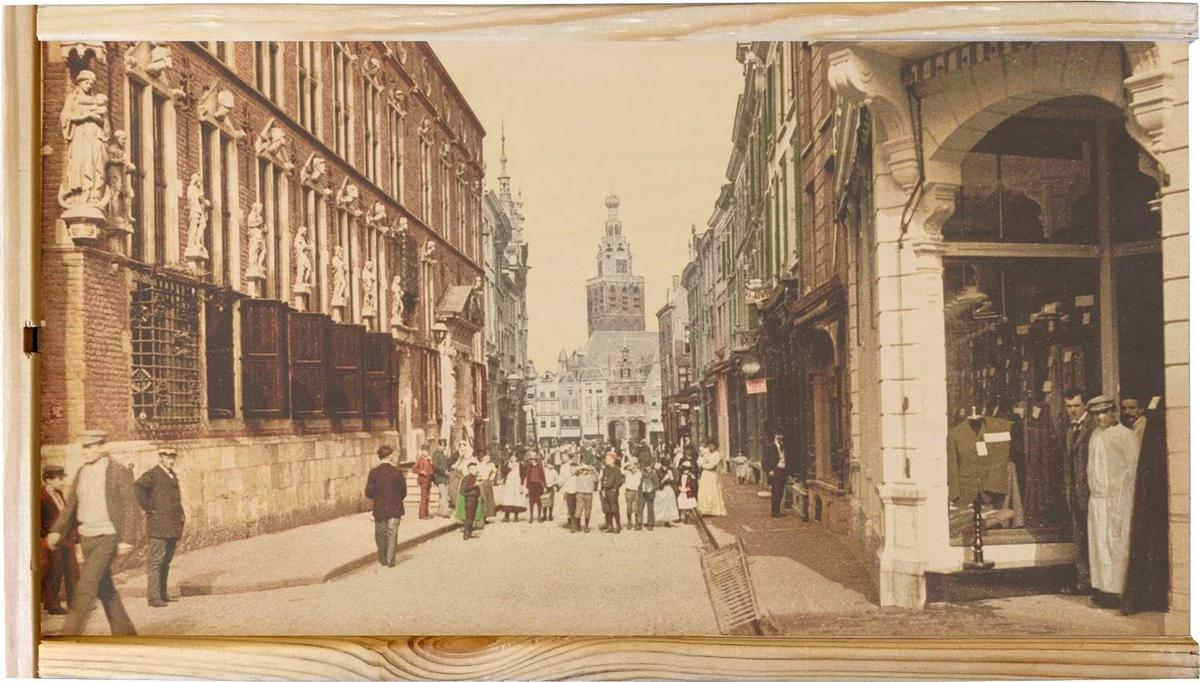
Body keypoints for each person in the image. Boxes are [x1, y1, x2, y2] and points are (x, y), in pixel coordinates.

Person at [47, 430, 138, 636]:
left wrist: (127, 538)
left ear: (102, 447)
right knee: (105, 588)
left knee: (85, 586)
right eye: (84, 447)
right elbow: (71, 507)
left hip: (107, 536)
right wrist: (57, 531)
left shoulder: (117, 471)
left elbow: (130, 506)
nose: (85, 451)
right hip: (87, 536)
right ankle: (126, 634)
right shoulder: (82, 471)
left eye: (90, 447)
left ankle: (68, 637)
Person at [1084, 395, 1140, 609]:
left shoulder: (1125, 435)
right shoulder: (1095, 435)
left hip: (1118, 499)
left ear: (1113, 412)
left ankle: (1118, 590)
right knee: (1099, 544)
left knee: (1116, 544)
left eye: (1104, 412)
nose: (1100, 417)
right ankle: (1103, 589)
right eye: (1096, 414)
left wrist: (1125, 497)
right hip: (1098, 499)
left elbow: (1133, 468)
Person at [135, 448, 185, 606]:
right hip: (159, 525)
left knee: (166, 561)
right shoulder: (153, 474)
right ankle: (153, 597)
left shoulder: (171, 475)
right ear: (161, 457)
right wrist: (150, 508)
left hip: (172, 525)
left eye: (173, 458)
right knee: (156, 561)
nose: (171, 461)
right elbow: (137, 487)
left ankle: (163, 594)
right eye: (168, 457)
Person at [1062, 388, 1095, 595]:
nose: (1073, 410)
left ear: (1085, 406)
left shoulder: (1093, 426)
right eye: (1069, 406)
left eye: (1076, 405)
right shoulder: (1070, 428)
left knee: (1094, 539)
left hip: (1091, 493)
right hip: (1075, 493)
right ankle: (1084, 582)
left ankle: (1098, 583)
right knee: (1080, 540)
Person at [40, 465, 77, 615]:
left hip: (66, 537)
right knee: (54, 571)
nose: (62, 481)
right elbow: (39, 521)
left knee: (72, 569)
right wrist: (47, 537)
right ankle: (52, 605)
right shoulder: (41, 497)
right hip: (52, 539)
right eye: (59, 479)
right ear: (49, 480)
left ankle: (75, 603)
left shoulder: (58, 493)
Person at [364, 445, 406, 568]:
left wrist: (378, 497)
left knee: (380, 534)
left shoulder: (374, 472)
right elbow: (403, 492)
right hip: (395, 508)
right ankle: (391, 559)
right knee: (392, 533)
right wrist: (396, 499)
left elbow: (368, 492)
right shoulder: (397, 472)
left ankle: (383, 559)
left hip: (380, 508)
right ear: (390, 456)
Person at [696, 441, 727, 517]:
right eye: (709, 446)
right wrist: (702, 464)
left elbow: (712, 465)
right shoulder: (706, 454)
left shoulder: (717, 455)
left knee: (711, 491)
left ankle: (712, 510)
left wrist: (703, 465)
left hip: (712, 475)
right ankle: (704, 509)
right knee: (704, 491)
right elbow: (699, 461)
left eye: (712, 446)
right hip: (705, 475)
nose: (710, 447)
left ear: (715, 446)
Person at [764, 433, 792, 517]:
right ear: (775, 436)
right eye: (778, 436)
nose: (780, 438)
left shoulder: (784, 447)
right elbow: (764, 461)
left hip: (783, 471)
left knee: (781, 491)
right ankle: (774, 512)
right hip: (775, 470)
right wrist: (770, 471)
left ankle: (778, 510)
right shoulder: (770, 447)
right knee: (776, 491)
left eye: (781, 436)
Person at [599, 453, 625, 533]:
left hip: (612, 491)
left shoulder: (616, 469)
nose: (606, 461)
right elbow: (603, 479)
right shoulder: (605, 469)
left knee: (614, 508)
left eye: (608, 459)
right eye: (606, 459)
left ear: (613, 460)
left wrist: (615, 488)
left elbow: (620, 481)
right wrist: (602, 489)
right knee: (607, 509)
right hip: (606, 491)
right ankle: (609, 525)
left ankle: (618, 525)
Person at [497, 454, 527, 522]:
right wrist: (509, 468)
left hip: (517, 482)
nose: (512, 458)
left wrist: (522, 484)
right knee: (508, 498)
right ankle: (506, 516)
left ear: (516, 458)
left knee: (517, 499)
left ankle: (516, 516)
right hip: (509, 483)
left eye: (514, 457)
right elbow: (503, 473)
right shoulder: (507, 464)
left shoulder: (519, 465)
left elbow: (523, 474)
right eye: (511, 457)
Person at [653, 457, 680, 528]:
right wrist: (664, 480)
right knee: (659, 504)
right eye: (664, 466)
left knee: (669, 505)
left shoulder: (671, 470)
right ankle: (656, 519)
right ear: (661, 465)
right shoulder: (658, 471)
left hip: (668, 488)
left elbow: (674, 481)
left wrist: (671, 477)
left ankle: (667, 521)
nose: (665, 468)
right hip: (661, 489)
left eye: (666, 466)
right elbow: (657, 482)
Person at [574, 459, 598, 533]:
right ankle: (577, 525)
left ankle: (586, 525)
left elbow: (597, 477)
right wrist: (582, 467)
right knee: (578, 510)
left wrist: (592, 469)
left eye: (586, 470)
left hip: (588, 494)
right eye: (583, 469)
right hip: (580, 494)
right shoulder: (578, 474)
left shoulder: (591, 476)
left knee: (588, 510)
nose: (585, 471)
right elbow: (574, 470)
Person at [412, 443, 434, 520]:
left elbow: (433, 468)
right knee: (423, 497)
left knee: (427, 497)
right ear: (422, 451)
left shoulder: (429, 459)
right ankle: (422, 514)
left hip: (429, 479)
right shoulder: (420, 459)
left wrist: (431, 462)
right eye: (425, 451)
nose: (426, 453)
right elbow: (414, 469)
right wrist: (421, 471)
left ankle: (426, 513)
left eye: (427, 451)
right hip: (423, 479)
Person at [636, 460, 660, 531]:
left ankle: (650, 524)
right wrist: (639, 491)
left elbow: (657, 485)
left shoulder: (653, 474)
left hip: (650, 494)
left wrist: (652, 488)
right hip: (642, 493)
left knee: (650, 509)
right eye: (646, 467)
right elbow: (639, 483)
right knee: (640, 509)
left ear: (651, 466)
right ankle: (639, 524)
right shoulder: (642, 473)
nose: (647, 468)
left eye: (648, 467)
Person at [460, 462, 482, 540]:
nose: (475, 470)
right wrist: (474, 485)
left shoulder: (475, 477)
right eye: (473, 469)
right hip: (469, 500)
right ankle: (466, 534)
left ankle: (469, 532)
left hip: (475, 499)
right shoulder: (466, 478)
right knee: (469, 516)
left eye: (475, 469)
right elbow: (462, 490)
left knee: (472, 516)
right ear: (469, 470)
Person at [524, 453, 548, 523]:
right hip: (532, 485)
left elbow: (543, 477)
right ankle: (531, 517)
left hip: (538, 485)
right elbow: (528, 477)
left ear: (536, 460)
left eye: (533, 459)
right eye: (531, 459)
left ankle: (539, 517)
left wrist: (545, 486)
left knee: (539, 501)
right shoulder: (529, 468)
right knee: (531, 502)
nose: (532, 461)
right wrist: (527, 486)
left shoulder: (540, 467)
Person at [431, 440, 451, 518]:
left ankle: (440, 510)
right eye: (441, 446)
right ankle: (443, 511)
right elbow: (435, 467)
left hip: (444, 478)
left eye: (444, 446)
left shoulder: (443, 454)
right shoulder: (436, 455)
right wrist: (444, 472)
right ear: (438, 445)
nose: (443, 447)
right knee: (444, 494)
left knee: (442, 495)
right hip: (439, 477)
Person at [559, 453, 578, 531]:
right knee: (569, 505)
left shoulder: (575, 465)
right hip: (568, 487)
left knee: (573, 505)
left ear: (568, 457)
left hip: (574, 487)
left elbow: (562, 479)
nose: (562, 457)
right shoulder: (563, 466)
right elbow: (561, 479)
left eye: (564, 456)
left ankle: (575, 523)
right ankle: (571, 522)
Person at [622, 457, 642, 530]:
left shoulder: (639, 473)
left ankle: (637, 523)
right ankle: (629, 522)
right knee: (628, 508)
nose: (634, 466)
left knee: (636, 508)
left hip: (636, 491)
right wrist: (627, 464)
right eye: (632, 464)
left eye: (635, 464)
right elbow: (621, 470)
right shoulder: (627, 472)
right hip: (628, 491)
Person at [677, 460, 699, 524]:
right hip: (682, 492)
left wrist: (690, 489)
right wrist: (679, 487)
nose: (685, 471)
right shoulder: (680, 476)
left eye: (687, 469)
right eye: (684, 469)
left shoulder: (691, 476)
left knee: (688, 506)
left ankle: (688, 517)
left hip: (688, 493)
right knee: (681, 505)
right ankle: (681, 517)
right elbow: (677, 483)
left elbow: (694, 485)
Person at [477, 453, 498, 521]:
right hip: (480, 482)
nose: (487, 459)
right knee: (482, 498)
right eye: (486, 458)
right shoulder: (479, 465)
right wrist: (478, 478)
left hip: (487, 482)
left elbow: (494, 471)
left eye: (488, 458)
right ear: (482, 458)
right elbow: (476, 473)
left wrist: (491, 478)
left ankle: (486, 516)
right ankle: (481, 516)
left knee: (488, 499)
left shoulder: (490, 465)